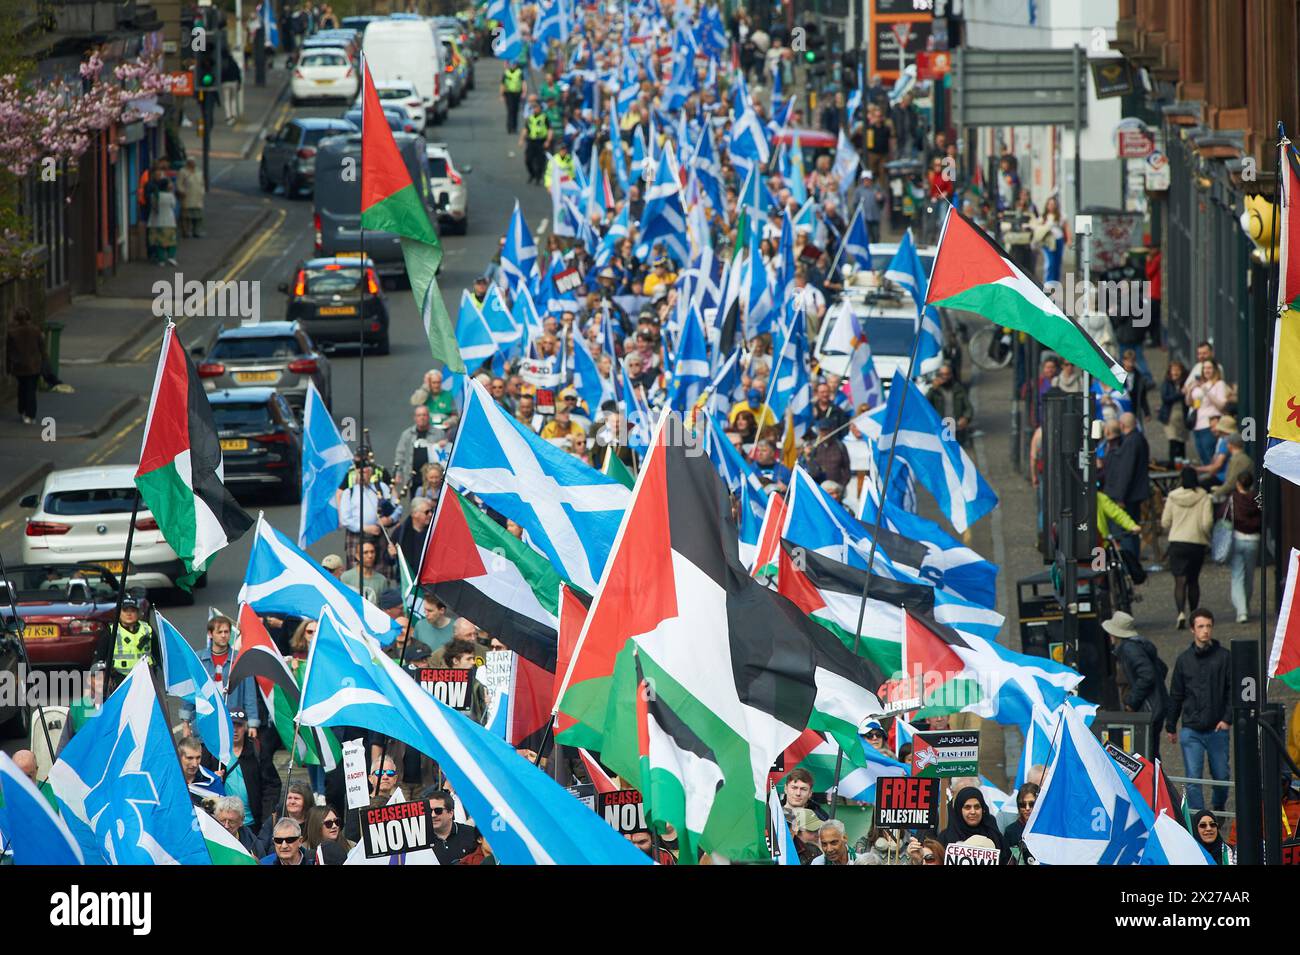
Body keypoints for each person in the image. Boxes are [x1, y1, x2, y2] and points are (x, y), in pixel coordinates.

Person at [1166, 608, 1232, 812]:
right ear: (1192, 630)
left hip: (1217, 727)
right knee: (1192, 778)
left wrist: (1227, 719)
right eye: (1201, 626)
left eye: (1208, 626)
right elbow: (1176, 694)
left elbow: (1232, 690)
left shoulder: (1224, 657)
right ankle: (1199, 819)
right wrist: (1171, 725)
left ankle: (1218, 807)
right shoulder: (1184, 660)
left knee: (1221, 775)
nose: (1205, 630)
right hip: (1192, 728)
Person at [1101, 611, 1169, 762]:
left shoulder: (1129, 649)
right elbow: (1161, 669)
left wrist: (1132, 701)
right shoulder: (1138, 646)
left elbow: (1147, 674)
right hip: (1157, 707)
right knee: (1151, 754)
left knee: (1146, 756)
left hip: (1148, 710)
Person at [1161, 467, 1213, 630]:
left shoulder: (1172, 497)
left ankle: (1180, 613)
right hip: (1197, 542)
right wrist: (1206, 537)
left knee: (1179, 580)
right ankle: (1194, 614)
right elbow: (1206, 523)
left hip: (1177, 542)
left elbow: (1165, 522)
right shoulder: (1204, 496)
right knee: (1193, 580)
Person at [1101, 412, 1149, 562]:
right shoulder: (1139, 439)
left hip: (1129, 494)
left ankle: (1130, 560)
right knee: (1132, 527)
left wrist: (1120, 496)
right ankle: (1133, 558)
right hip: (1136, 492)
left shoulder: (1130, 443)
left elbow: (1125, 471)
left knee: (1126, 530)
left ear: (1122, 425)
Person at [1225, 471, 1262, 623]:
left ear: (1238, 483)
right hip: (1254, 539)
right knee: (1249, 575)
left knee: (1237, 575)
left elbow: (1225, 515)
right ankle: (1245, 604)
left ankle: (1242, 611)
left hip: (1237, 537)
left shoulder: (1233, 499)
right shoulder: (1257, 499)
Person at [938, 786, 1008, 862]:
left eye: (977, 807)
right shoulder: (945, 838)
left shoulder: (995, 837)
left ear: (983, 809)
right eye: (967, 807)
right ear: (959, 810)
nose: (973, 812)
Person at [1184, 360, 1232, 465]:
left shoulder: (1219, 384)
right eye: (1204, 368)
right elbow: (1189, 403)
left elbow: (1221, 405)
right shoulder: (1200, 384)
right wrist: (1190, 390)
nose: (1206, 370)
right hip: (1197, 424)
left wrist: (1206, 390)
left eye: (1209, 368)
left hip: (1210, 424)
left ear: (1215, 369)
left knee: (1210, 454)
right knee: (1202, 455)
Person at [98, 595, 154, 685]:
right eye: (125, 611)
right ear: (119, 613)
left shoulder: (147, 629)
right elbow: (99, 657)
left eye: (132, 611)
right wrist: (100, 676)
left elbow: (159, 655)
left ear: (138, 613)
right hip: (120, 678)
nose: (129, 614)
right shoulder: (111, 631)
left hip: (146, 677)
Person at [6, 306, 47, 425]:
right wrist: (45, 362)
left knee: (22, 388)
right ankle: (31, 415)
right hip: (34, 366)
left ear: (16, 319)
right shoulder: (36, 330)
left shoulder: (11, 333)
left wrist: (8, 368)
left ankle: (22, 410)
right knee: (31, 391)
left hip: (19, 366)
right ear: (28, 317)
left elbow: (8, 352)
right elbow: (42, 349)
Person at [393, 405, 444, 499]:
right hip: (413, 478)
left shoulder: (439, 433)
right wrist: (397, 474)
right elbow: (400, 455)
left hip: (433, 478)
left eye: (424, 415)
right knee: (416, 505)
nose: (422, 417)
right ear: (415, 418)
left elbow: (445, 455)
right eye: (419, 415)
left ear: (428, 417)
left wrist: (444, 444)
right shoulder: (407, 434)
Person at [426, 789, 480, 865]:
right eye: (429, 810)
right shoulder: (420, 840)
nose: (433, 815)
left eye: (438, 810)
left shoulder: (471, 834)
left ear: (451, 813)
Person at [926, 364, 974, 447]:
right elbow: (925, 405)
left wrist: (966, 418)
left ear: (951, 375)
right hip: (941, 429)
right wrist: (933, 389)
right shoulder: (935, 391)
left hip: (956, 428)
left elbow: (968, 408)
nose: (945, 377)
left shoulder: (958, 389)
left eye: (947, 374)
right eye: (943, 375)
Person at [389, 496, 433, 574]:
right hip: (407, 579)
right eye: (427, 512)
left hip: (428, 579)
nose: (430, 514)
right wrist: (391, 554)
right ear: (415, 514)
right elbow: (388, 560)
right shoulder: (400, 532)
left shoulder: (433, 531)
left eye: (431, 511)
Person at [340, 539, 391, 604]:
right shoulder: (346, 577)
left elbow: (384, 606)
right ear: (357, 556)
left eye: (372, 552)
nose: (370, 556)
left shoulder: (382, 580)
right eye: (365, 552)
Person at [1157, 360, 1190, 463]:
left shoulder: (1185, 383)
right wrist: (1180, 394)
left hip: (1182, 415)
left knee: (1182, 440)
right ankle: (1173, 461)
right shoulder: (1167, 383)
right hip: (1170, 415)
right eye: (1173, 370)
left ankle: (1182, 461)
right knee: (1173, 439)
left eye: (1177, 370)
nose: (1175, 373)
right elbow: (1166, 398)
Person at [1002, 782, 1040, 864]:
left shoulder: (1047, 829)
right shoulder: (1011, 831)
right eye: (1022, 804)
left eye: (1031, 804)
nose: (1027, 808)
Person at [520, 94, 552, 185]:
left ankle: (538, 177)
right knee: (528, 160)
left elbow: (550, 130)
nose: (535, 110)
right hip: (531, 140)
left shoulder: (544, 118)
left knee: (540, 161)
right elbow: (526, 129)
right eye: (533, 108)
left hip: (541, 140)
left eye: (536, 108)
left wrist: (548, 141)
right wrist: (522, 139)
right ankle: (532, 174)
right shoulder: (530, 118)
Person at [147, 177, 178, 266]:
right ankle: (171, 257)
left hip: (156, 222)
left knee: (159, 243)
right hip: (168, 222)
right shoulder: (170, 196)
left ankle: (161, 260)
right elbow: (174, 205)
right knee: (171, 241)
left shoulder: (154, 195)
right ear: (166, 186)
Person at [174, 158, 205, 237]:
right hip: (187, 197)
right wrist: (182, 192)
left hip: (197, 198)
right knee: (186, 217)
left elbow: (202, 183)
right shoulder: (183, 172)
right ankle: (186, 232)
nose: (193, 164)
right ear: (188, 163)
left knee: (198, 217)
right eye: (191, 162)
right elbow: (178, 184)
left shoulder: (199, 171)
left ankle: (196, 231)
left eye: (193, 162)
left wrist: (202, 192)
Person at [501, 59, 525, 134]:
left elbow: (523, 83)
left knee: (516, 111)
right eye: (512, 65)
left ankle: (514, 127)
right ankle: (509, 127)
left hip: (517, 93)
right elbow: (502, 84)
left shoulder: (519, 72)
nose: (513, 66)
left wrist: (524, 92)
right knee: (510, 110)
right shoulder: (506, 73)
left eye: (514, 64)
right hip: (509, 94)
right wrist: (502, 95)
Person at [219, 46, 242, 124]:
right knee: (233, 99)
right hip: (234, 82)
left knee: (226, 100)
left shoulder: (222, 63)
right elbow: (238, 73)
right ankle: (234, 115)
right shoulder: (233, 62)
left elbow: (220, 74)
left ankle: (228, 116)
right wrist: (239, 83)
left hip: (225, 83)